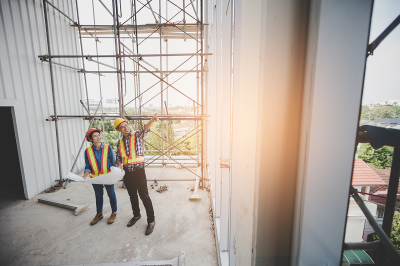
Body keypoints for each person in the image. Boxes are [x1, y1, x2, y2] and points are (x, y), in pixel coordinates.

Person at [114, 114, 159, 235]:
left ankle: (151, 221)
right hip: (127, 173)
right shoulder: (119, 142)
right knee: (132, 196)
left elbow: (145, 128)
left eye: (126, 125)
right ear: (118, 130)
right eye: (122, 127)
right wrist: (119, 164)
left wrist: (151, 120)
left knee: (144, 196)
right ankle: (136, 215)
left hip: (139, 171)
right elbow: (118, 157)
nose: (126, 128)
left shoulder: (136, 135)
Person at [83, 128, 118, 225]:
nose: (98, 137)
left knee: (111, 194)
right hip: (95, 178)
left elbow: (113, 163)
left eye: (99, 135)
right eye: (95, 135)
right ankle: (99, 214)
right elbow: (88, 166)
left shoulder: (108, 148)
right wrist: (86, 174)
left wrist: (115, 175)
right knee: (98, 196)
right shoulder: (87, 151)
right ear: (90, 139)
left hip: (107, 177)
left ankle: (114, 212)